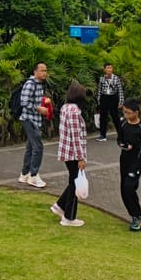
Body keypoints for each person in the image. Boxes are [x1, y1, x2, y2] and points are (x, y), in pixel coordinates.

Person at [51, 81, 87, 226]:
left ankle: (60, 206)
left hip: (67, 152)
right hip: (72, 153)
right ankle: (69, 217)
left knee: (73, 181)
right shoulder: (74, 112)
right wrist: (81, 157)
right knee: (74, 184)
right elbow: (75, 136)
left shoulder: (66, 108)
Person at [118, 97, 141, 231]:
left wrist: (138, 164)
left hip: (136, 161)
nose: (126, 115)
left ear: (136, 112)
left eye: (129, 112)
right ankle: (133, 215)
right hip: (124, 160)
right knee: (124, 189)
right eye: (124, 112)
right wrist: (124, 145)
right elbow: (119, 140)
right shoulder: (123, 124)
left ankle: (138, 216)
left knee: (129, 187)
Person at [18, 62, 49, 188]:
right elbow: (24, 102)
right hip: (29, 119)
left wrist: (43, 103)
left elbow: (34, 100)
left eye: (45, 70)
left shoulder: (40, 85)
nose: (44, 73)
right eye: (42, 70)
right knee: (38, 147)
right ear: (35, 71)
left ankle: (25, 174)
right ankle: (33, 175)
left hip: (35, 120)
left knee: (31, 147)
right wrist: (39, 109)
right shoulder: (30, 84)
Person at [96, 62, 124, 141]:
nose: (109, 70)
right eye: (108, 68)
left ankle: (121, 135)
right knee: (103, 118)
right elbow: (99, 90)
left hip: (113, 98)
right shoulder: (102, 79)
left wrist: (121, 101)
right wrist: (99, 100)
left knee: (115, 117)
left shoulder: (116, 78)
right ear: (104, 69)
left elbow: (120, 90)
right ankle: (103, 135)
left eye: (111, 68)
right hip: (104, 98)